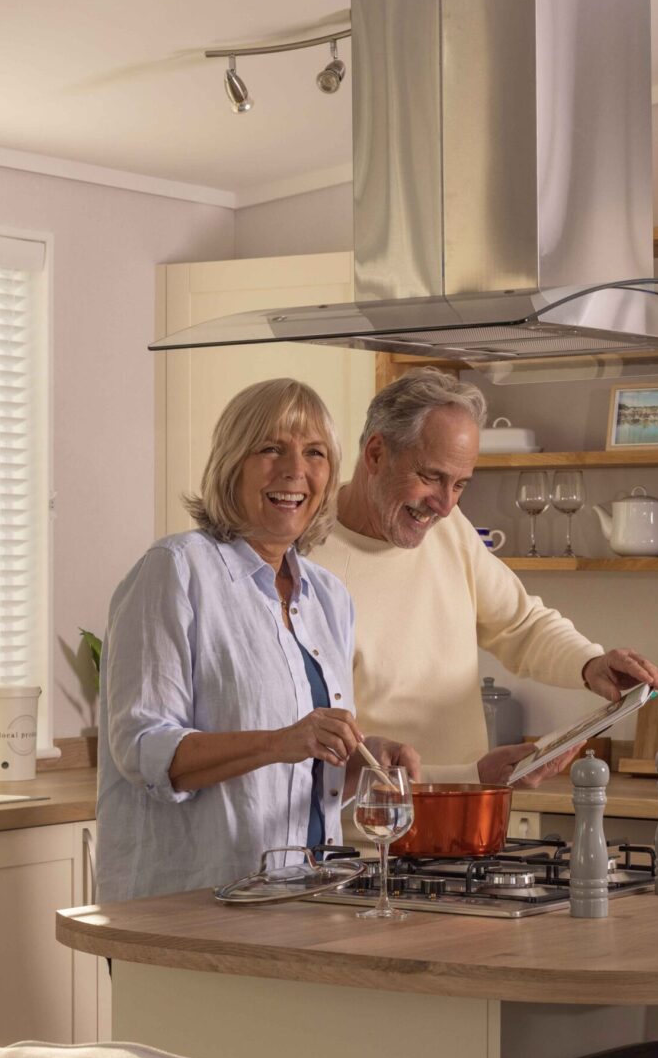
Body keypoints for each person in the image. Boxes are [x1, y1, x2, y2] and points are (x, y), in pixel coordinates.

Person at [96, 378, 419, 902]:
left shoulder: (328, 598)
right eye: (271, 448)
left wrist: (364, 757)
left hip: (306, 894)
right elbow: (142, 751)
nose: (295, 470)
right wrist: (279, 742)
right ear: (232, 464)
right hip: (188, 903)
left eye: (314, 453)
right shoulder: (175, 571)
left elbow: (303, 770)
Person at [311, 368, 658, 783]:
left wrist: (590, 663)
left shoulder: (448, 530)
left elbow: (520, 624)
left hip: (461, 824)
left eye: (460, 485)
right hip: (365, 838)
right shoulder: (304, 558)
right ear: (375, 454)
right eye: (431, 477)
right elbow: (320, 761)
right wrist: (470, 776)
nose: (445, 506)